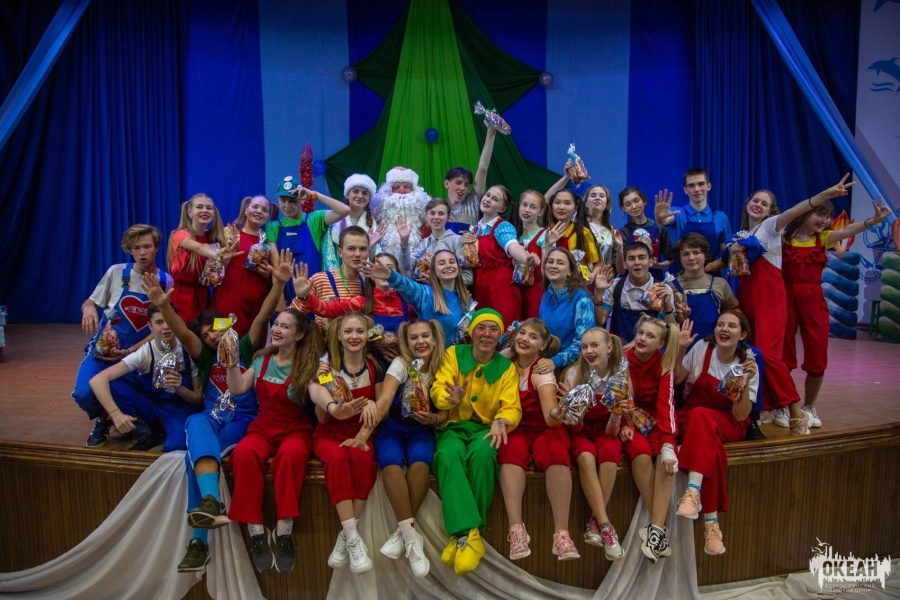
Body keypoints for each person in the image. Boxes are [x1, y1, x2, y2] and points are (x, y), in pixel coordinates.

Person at [142, 253, 290, 573]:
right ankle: (211, 504)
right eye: (206, 333)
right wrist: (164, 306)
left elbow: (263, 317)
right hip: (213, 416)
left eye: (216, 328)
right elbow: (184, 334)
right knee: (195, 420)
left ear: (228, 327)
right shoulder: (206, 357)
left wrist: (278, 284)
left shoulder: (244, 348)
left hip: (241, 419)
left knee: (191, 458)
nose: (212, 335)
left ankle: (200, 541)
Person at [731, 176, 854, 435]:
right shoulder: (745, 233)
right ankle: (763, 407)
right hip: (749, 299)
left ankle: (795, 408)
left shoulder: (770, 226)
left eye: (764, 203)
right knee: (751, 354)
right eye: (755, 200)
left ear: (771, 211)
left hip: (769, 299)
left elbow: (798, 209)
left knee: (768, 356)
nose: (758, 205)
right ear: (747, 202)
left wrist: (825, 195)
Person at [225, 307, 324, 573]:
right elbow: (237, 388)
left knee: (292, 456)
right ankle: (256, 531)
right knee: (243, 454)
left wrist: (332, 405)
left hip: (294, 429)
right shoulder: (261, 359)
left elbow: (317, 392)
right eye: (276, 324)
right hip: (263, 428)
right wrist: (231, 364)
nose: (277, 330)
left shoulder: (308, 365)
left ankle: (284, 530)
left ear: (299, 335)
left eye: (285, 326)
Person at [781, 197, 891, 427]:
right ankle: (783, 404)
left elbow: (847, 230)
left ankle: (809, 405)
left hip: (814, 301)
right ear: (805, 213)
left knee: (817, 355)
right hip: (785, 299)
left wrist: (872, 221)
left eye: (827, 216)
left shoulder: (823, 238)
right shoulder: (783, 239)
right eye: (819, 214)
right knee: (783, 355)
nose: (824, 220)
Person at [431, 308, 521, 575]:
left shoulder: (506, 368)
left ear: (499, 335)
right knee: (447, 455)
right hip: (453, 426)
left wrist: (501, 420)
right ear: (472, 332)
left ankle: (462, 535)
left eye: (494, 329)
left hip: (485, 428)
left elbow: (512, 406)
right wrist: (449, 399)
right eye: (481, 328)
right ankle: (470, 535)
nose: (487, 334)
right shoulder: (453, 354)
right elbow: (439, 387)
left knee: (484, 455)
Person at [73, 224, 173, 448]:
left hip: (135, 356)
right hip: (102, 352)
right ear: (130, 250)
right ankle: (104, 419)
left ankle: (133, 422)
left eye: (147, 246)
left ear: (156, 247)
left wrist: (131, 350)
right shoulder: (117, 272)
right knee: (83, 393)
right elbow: (91, 301)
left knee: (139, 396)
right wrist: (88, 308)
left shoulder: (166, 281)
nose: (142, 253)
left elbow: (160, 328)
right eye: (136, 248)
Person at [673, 311, 758, 556]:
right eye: (720, 324)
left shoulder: (748, 364)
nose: (724, 329)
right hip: (692, 417)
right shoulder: (702, 348)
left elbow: (740, 415)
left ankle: (693, 491)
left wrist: (744, 384)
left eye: (731, 326)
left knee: (702, 417)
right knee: (713, 446)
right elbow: (677, 379)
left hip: (728, 421)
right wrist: (680, 348)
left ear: (742, 334)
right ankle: (711, 523)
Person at [371, 319, 448, 577]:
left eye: (425, 336)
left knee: (420, 460)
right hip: (394, 428)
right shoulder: (400, 364)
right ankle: (412, 539)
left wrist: (434, 419)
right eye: (414, 337)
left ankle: (401, 533)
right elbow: (384, 401)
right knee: (389, 460)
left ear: (435, 339)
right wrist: (363, 434)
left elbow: (446, 413)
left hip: (422, 431)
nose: (420, 341)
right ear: (406, 342)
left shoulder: (442, 366)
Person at [497, 319, 578, 561]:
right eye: (522, 333)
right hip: (515, 426)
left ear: (542, 346)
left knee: (555, 452)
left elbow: (550, 416)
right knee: (509, 450)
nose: (524, 339)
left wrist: (559, 413)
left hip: (544, 427)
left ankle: (561, 535)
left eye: (533, 337)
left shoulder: (543, 371)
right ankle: (517, 530)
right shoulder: (503, 360)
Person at [312, 312, 384, 575]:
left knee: (362, 457)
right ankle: (353, 537)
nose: (354, 336)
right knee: (337, 458)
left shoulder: (376, 367)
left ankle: (346, 534)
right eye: (348, 331)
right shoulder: (326, 369)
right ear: (339, 336)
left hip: (363, 431)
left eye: (359, 331)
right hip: (330, 433)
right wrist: (330, 401)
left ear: (367, 336)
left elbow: (381, 409)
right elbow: (320, 415)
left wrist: (373, 407)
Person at [88, 304, 202, 452]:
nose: (166, 327)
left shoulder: (188, 349)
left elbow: (199, 399)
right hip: (151, 407)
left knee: (176, 446)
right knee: (114, 384)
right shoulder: (145, 352)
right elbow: (97, 380)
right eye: (159, 322)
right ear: (150, 326)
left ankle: (168, 433)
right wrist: (115, 414)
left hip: (178, 409)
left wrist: (180, 389)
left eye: (169, 320)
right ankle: (146, 435)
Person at [563, 327, 626, 561]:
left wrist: (617, 415)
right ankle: (606, 525)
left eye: (594, 345)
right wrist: (577, 411)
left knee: (610, 452)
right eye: (584, 346)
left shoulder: (620, 377)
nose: (588, 351)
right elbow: (574, 428)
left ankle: (595, 522)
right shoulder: (573, 375)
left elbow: (611, 433)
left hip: (606, 432)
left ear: (609, 347)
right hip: (580, 433)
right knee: (586, 456)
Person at [625, 315, 681, 563]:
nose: (643, 338)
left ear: (660, 344)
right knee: (640, 453)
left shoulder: (664, 365)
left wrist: (668, 443)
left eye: (650, 336)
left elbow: (666, 405)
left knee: (668, 461)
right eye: (641, 333)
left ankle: (656, 529)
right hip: (630, 422)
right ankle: (661, 528)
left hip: (657, 422)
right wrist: (625, 425)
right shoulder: (624, 359)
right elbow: (619, 397)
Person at [265, 176, 349, 302]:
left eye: (292, 200)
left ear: (301, 200)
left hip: (313, 293)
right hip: (285, 292)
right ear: (278, 199)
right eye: (283, 200)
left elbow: (344, 210)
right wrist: (279, 299)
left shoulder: (314, 219)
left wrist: (314, 195)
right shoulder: (273, 227)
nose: (287, 205)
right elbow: (275, 264)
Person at [363, 249, 471, 345]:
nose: (448, 266)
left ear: (458, 266)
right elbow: (407, 285)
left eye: (452, 262)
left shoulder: (466, 298)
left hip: (458, 359)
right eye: (441, 263)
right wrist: (391, 275)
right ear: (433, 270)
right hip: (434, 359)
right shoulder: (425, 294)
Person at [472, 184, 540, 326]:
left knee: (506, 330)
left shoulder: (503, 227)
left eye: (495, 199)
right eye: (488, 195)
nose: (488, 199)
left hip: (501, 288)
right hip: (480, 288)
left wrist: (525, 258)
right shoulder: (476, 229)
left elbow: (512, 245)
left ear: (502, 209)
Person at [293, 253, 411, 334]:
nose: (384, 272)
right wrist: (304, 296)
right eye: (378, 268)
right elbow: (327, 309)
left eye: (390, 268)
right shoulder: (361, 303)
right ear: (371, 275)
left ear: (398, 274)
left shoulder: (409, 304)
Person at [167, 193, 236, 325]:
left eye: (209, 208)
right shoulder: (179, 234)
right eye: (199, 207)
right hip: (181, 297)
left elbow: (217, 273)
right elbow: (199, 248)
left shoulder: (212, 238)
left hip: (203, 296)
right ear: (190, 212)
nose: (205, 210)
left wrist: (226, 255)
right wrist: (216, 255)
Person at [212, 195, 272, 337]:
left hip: (257, 304)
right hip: (228, 300)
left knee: (253, 346)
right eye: (255, 207)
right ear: (245, 210)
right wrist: (224, 257)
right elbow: (213, 272)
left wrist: (267, 275)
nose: (259, 211)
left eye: (265, 210)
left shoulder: (268, 241)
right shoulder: (229, 233)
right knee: (224, 343)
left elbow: (273, 276)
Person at [595, 242, 677, 342]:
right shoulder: (615, 285)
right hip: (620, 348)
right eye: (631, 258)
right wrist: (598, 292)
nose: (637, 262)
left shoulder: (662, 290)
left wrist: (668, 308)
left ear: (651, 261)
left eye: (642, 257)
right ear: (624, 264)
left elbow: (671, 333)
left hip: (650, 349)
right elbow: (600, 322)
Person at [292, 225, 369, 332]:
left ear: (368, 252)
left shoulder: (368, 283)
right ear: (340, 252)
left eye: (363, 249)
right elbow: (293, 316)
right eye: (351, 249)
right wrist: (302, 296)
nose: (357, 254)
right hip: (324, 341)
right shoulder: (320, 280)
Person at [653, 168, 733, 269]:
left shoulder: (721, 218)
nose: (696, 189)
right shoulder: (677, 213)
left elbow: (726, 256)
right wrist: (660, 218)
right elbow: (664, 220)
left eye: (701, 184)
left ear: (709, 186)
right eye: (691, 185)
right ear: (685, 190)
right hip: (680, 275)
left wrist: (706, 270)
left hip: (710, 275)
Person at [671, 233, 738, 346]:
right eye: (685, 254)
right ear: (679, 258)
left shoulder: (720, 284)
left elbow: (734, 311)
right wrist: (677, 316)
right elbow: (663, 324)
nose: (691, 258)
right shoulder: (670, 287)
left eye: (696, 252)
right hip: (680, 347)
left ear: (705, 255)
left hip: (712, 347)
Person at [539, 247, 597, 370]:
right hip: (545, 361)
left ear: (570, 271)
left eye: (560, 263)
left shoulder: (582, 299)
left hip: (572, 367)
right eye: (550, 261)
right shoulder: (546, 295)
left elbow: (584, 342)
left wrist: (555, 362)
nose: (554, 266)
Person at [398, 199, 473, 285]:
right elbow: (406, 266)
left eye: (441, 214)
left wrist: (436, 281)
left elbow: (468, 278)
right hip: (425, 292)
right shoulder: (424, 243)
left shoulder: (458, 241)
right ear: (426, 217)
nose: (436, 217)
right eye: (432, 213)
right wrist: (404, 241)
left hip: (448, 293)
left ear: (448, 217)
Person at [321, 174, 383, 272]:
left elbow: (375, 261)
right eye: (355, 191)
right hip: (336, 275)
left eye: (365, 193)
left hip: (363, 276)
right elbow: (327, 254)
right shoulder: (333, 220)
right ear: (347, 195)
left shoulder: (374, 226)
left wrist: (371, 246)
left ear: (369, 199)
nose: (360, 196)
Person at [370, 167, 430, 260]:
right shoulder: (378, 214)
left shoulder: (424, 215)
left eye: (406, 187)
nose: (401, 191)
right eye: (396, 187)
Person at [545, 189, 601, 285]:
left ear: (575, 208)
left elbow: (598, 264)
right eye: (557, 202)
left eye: (567, 203)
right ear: (551, 206)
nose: (561, 207)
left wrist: (592, 275)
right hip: (550, 285)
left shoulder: (583, 233)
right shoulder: (544, 232)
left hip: (577, 286)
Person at [618, 186, 672, 280]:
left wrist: (657, 265)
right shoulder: (623, 233)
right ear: (623, 208)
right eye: (628, 204)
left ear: (644, 201)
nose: (634, 206)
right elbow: (621, 269)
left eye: (636, 201)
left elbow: (670, 260)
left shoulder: (659, 229)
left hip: (655, 281)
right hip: (630, 283)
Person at [511, 190, 549, 318]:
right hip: (515, 292)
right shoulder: (514, 235)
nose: (527, 210)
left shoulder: (545, 234)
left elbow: (546, 271)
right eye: (524, 204)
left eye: (533, 207)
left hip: (535, 294)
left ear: (541, 212)